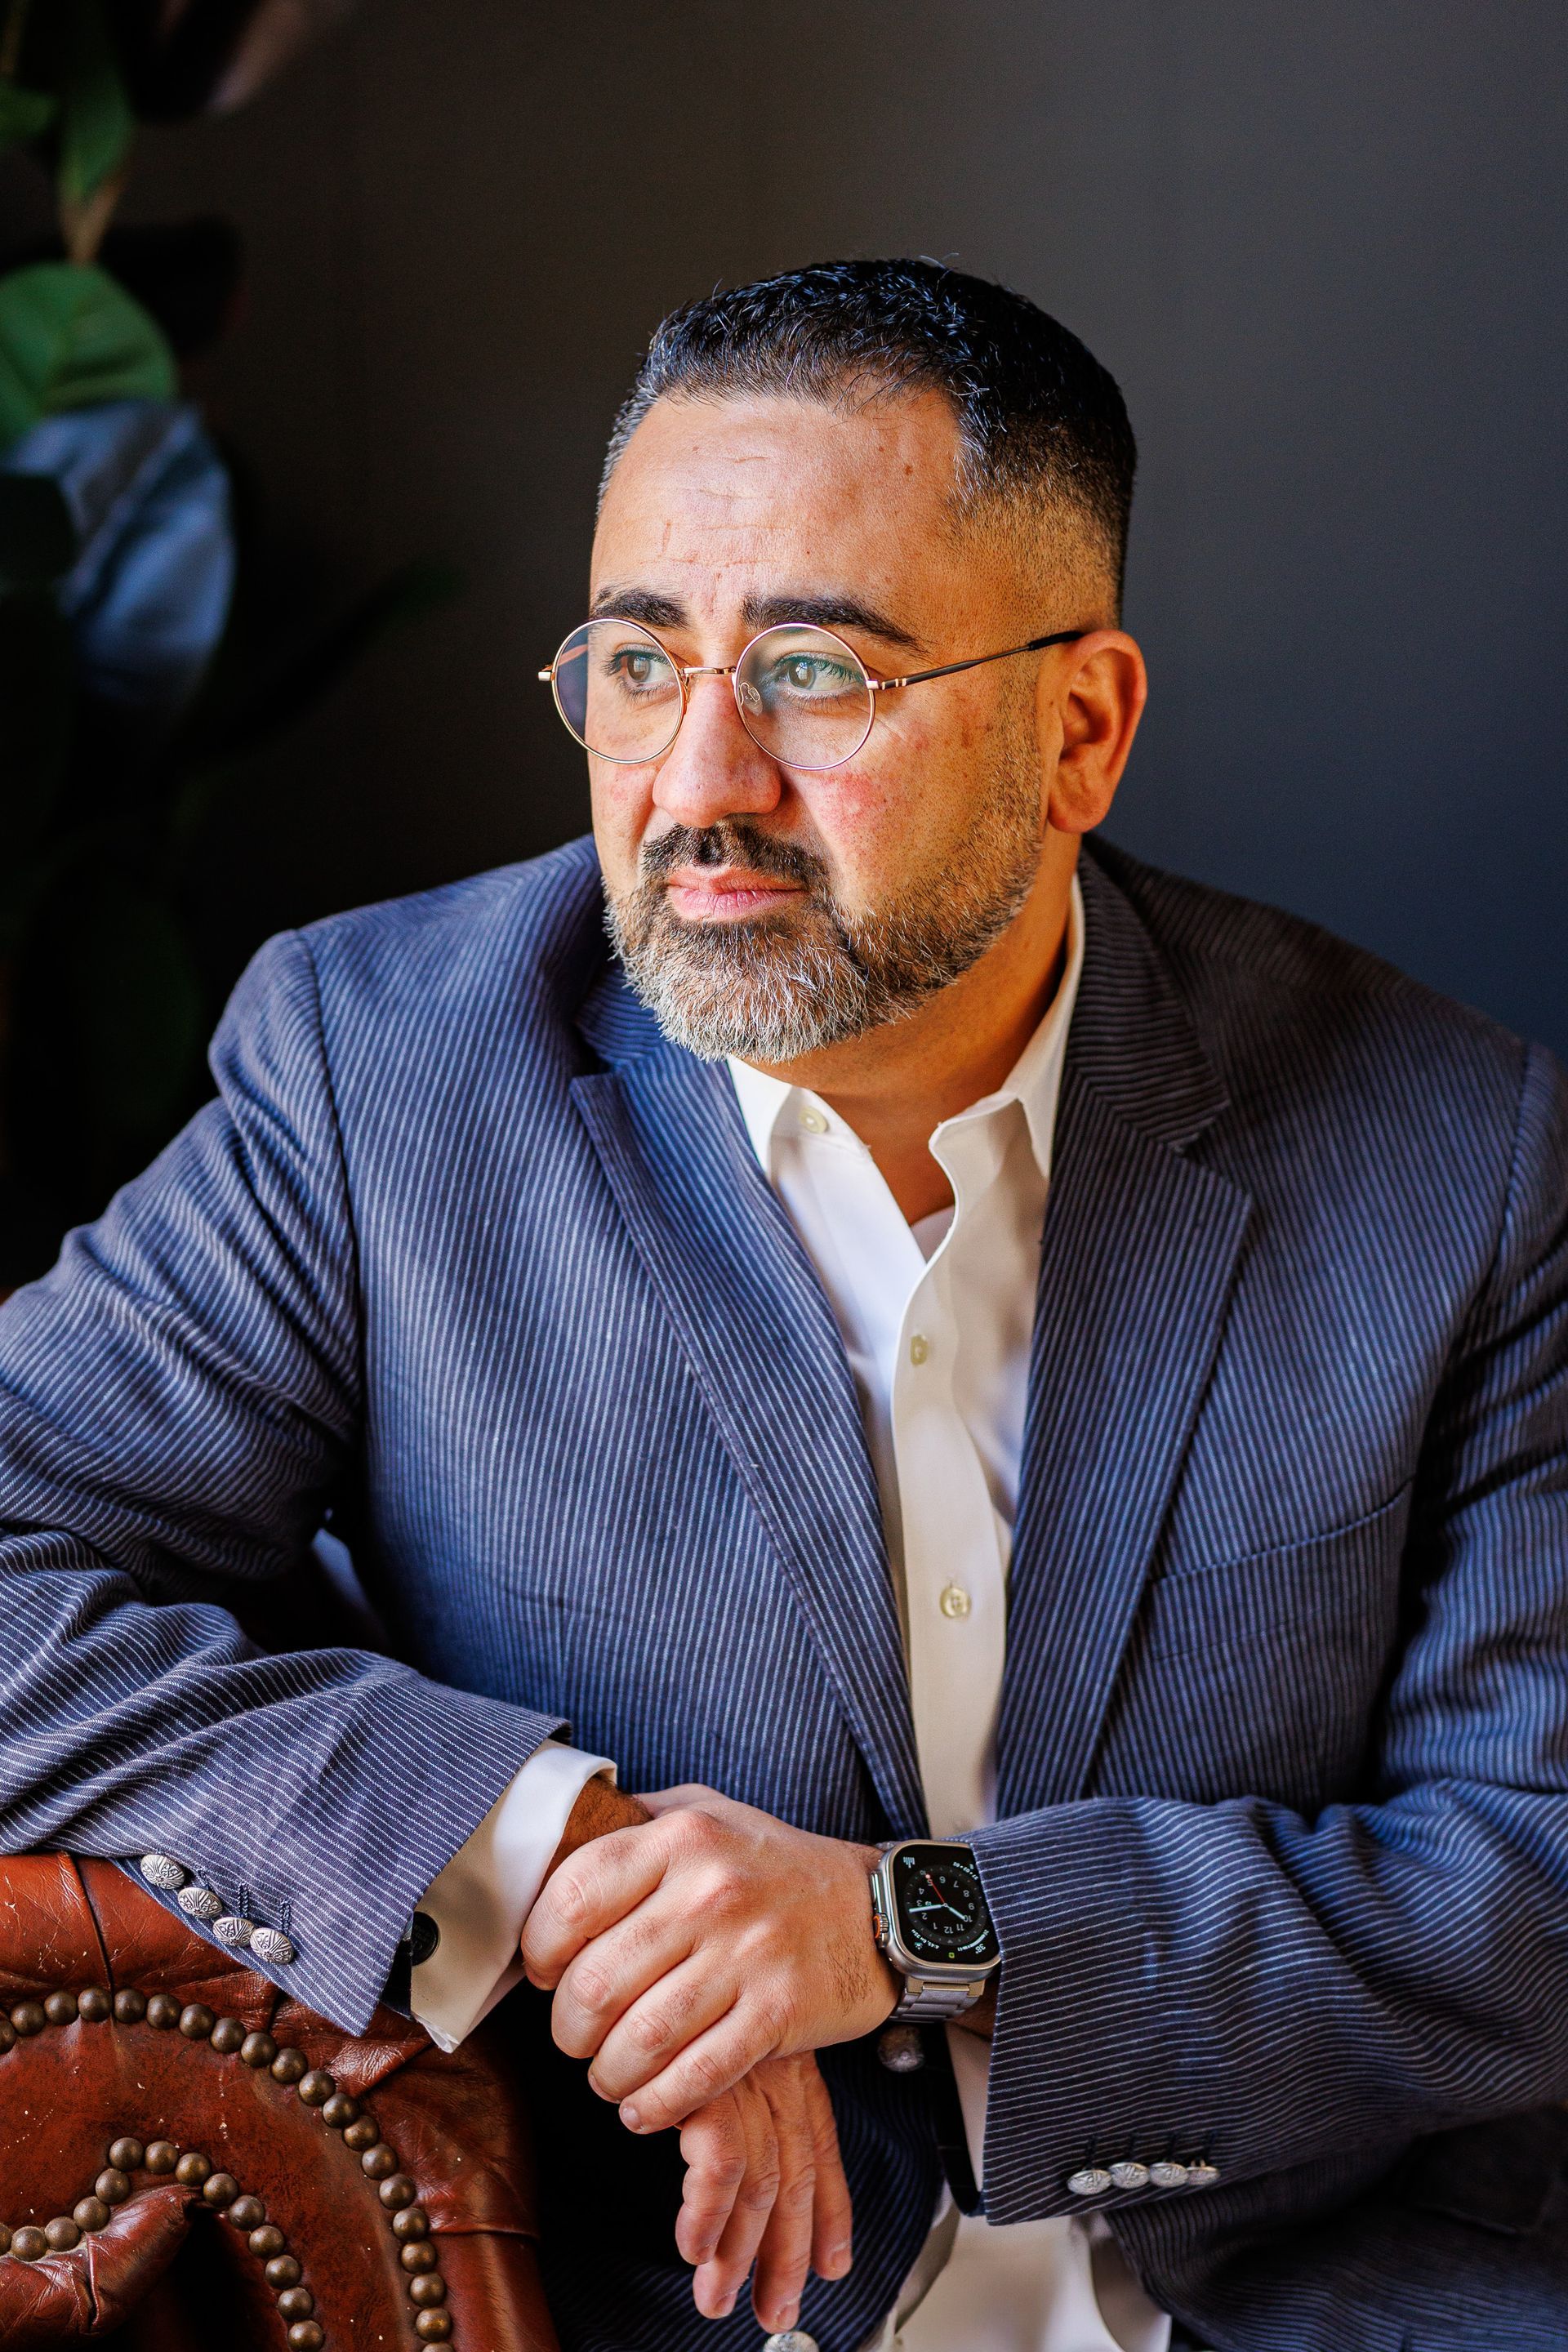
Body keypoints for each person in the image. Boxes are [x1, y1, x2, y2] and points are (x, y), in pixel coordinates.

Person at [0, 259, 1565, 2352]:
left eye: (816, 672)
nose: (697, 781)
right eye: (638, 662)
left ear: (1078, 727)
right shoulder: (387, 1072)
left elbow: (1535, 1875)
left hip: (1307, 2294)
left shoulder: (1455, 1153)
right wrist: (555, 1851)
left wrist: (909, 1933)